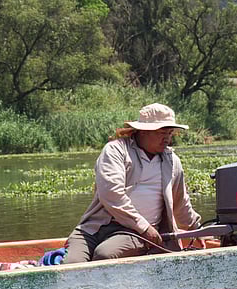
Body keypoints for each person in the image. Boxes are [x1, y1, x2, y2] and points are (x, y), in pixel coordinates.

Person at [64, 103, 201, 264]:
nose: (167, 139)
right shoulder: (116, 150)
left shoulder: (172, 162)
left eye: (170, 133)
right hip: (95, 226)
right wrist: (144, 226)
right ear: (143, 131)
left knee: (105, 255)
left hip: (136, 233)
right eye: (162, 133)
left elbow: (180, 203)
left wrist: (196, 229)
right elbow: (112, 194)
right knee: (71, 264)